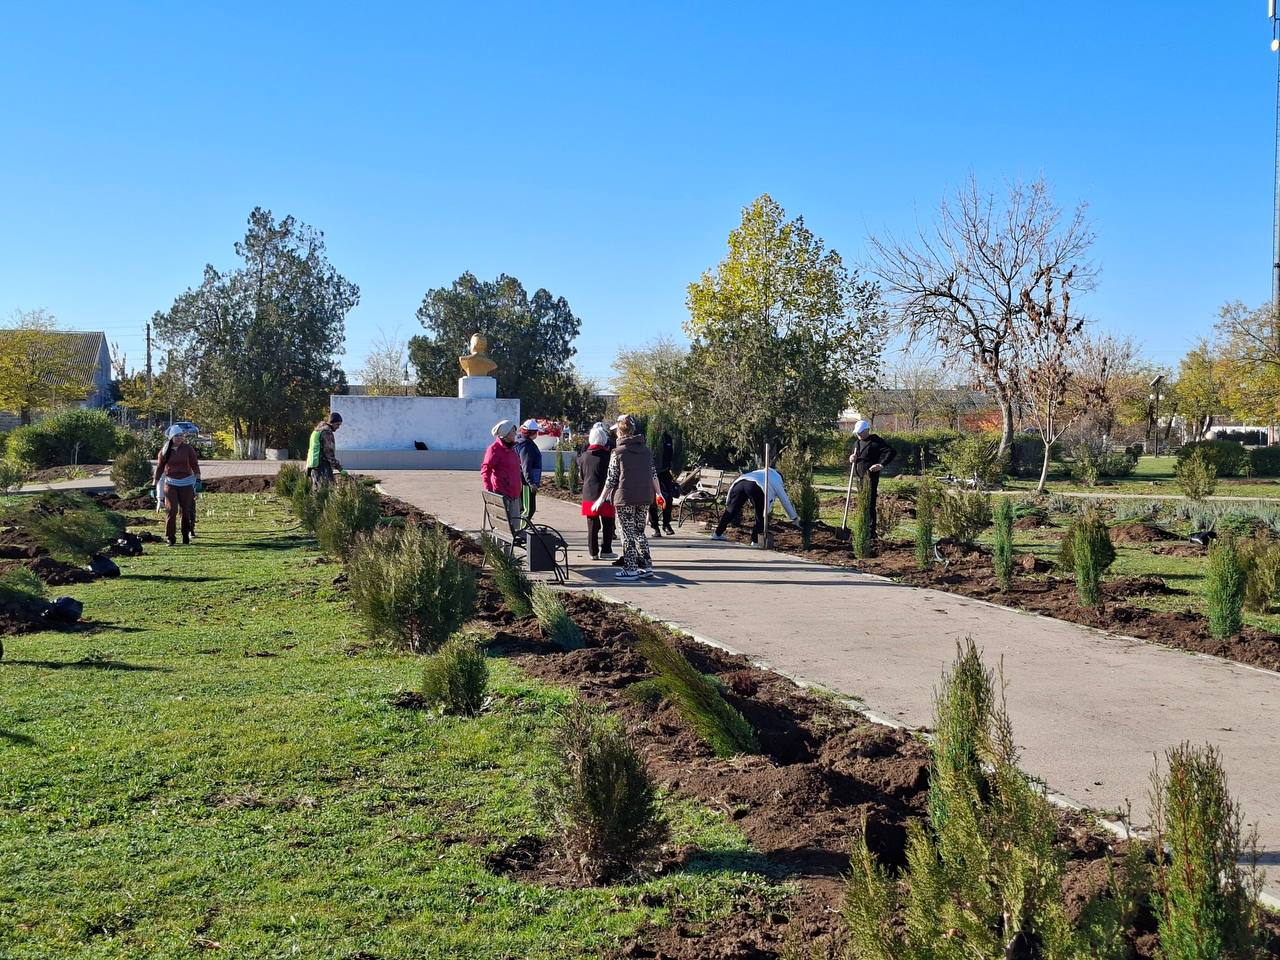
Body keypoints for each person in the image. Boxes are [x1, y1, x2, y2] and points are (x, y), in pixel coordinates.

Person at [591, 414, 665, 581]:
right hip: (645, 496)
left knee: (626, 533)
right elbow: (653, 474)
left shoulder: (618, 452)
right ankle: (647, 566)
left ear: (619, 432)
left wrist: (600, 499)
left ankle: (630, 568)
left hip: (625, 498)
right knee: (639, 532)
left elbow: (611, 478)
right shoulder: (646, 450)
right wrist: (659, 493)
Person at [711, 467, 801, 547]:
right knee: (760, 513)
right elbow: (785, 500)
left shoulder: (761, 472)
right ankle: (755, 541)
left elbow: (731, 503)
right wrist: (794, 517)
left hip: (740, 483)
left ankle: (717, 533)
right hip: (755, 486)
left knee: (732, 509)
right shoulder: (777, 479)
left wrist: (728, 502)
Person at [848, 419, 896, 543]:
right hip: (860, 477)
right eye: (857, 433)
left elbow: (891, 452)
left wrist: (881, 465)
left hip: (871, 477)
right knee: (862, 503)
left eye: (861, 432)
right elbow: (855, 456)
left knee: (869, 504)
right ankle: (862, 527)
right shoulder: (857, 443)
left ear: (867, 430)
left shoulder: (876, 442)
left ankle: (871, 531)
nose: (858, 435)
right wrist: (852, 458)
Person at [154, 424, 201, 546]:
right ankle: (170, 538)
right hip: (171, 483)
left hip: (186, 482)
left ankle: (186, 534)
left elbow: (194, 464)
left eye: (181, 435)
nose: (180, 438)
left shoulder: (187, 449)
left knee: (186, 511)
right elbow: (160, 468)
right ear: (171, 437)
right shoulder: (165, 451)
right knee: (171, 510)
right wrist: (155, 482)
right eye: (177, 436)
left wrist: (198, 479)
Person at [577, 423, 617, 560]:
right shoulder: (609, 456)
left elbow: (581, 476)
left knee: (592, 526)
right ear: (604, 439)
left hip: (589, 493)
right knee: (608, 524)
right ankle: (606, 550)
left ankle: (593, 552)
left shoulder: (583, 457)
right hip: (606, 494)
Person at [481, 419, 524, 542]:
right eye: (513, 431)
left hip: (515, 495)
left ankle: (510, 557)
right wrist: (489, 490)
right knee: (502, 528)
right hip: (502, 494)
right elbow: (486, 469)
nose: (515, 433)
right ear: (506, 434)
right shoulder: (494, 449)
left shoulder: (513, 448)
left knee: (514, 528)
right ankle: (500, 556)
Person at [648, 428, 676, 538]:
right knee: (651, 500)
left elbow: (672, 455)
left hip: (665, 472)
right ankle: (655, 527)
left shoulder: (667, 438)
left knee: (668, 498)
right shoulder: (649, 437)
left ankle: (666, 524)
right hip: (652, 472)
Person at [514, 419, 543, 523]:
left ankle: (522, 529)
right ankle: (521, 531)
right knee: (528, 509)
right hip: (526, 483)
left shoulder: (520, 441)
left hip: (522, 480)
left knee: (526, 508)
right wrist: (531, 483)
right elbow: (526, 466)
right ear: (533, 432)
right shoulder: (527, 446)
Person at [306, 412, 343, 489]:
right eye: (337, 424)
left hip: (312, 465)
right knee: (326, 491)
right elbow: (329, 452)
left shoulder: (317, 430)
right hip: (322, 466)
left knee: (316, 490)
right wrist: (339, 468)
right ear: (332, 423)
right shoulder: (327, 432)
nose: (338, 427)